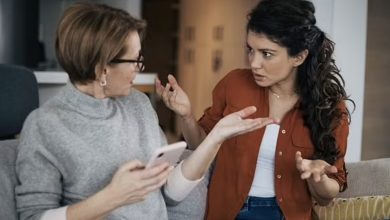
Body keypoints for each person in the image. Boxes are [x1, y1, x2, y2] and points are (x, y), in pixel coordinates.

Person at [14, 2, 273, 220]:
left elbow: (171, 193)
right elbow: (34, 216)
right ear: (101, 69)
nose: (139, 68)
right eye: (134, 60)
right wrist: (112, 197)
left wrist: (216, 137)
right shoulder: (45, 125)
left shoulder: (138, 105)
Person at [156, 0, 354, 219]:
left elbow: (329, 195)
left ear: (299, 57)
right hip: (225, 212)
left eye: (267, 54)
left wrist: (317, 178)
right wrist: (187, 115)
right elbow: (200, 147)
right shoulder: (234, 84)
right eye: (250, 50)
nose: (254, 63)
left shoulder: (330, 108)